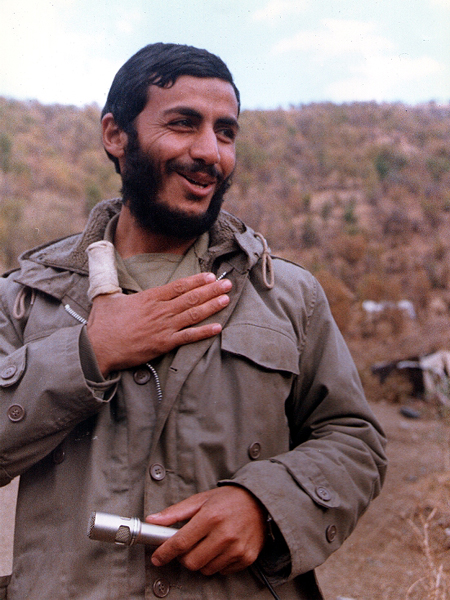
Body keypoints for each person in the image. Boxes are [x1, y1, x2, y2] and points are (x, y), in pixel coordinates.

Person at [0, 43, 386, 600]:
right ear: (116, 135)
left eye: (225, 132)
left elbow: (355, 440)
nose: (209, 152)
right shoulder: (23, 299)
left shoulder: (288, 295)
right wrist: (88, 354)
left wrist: (265, 503)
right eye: (183, 124)